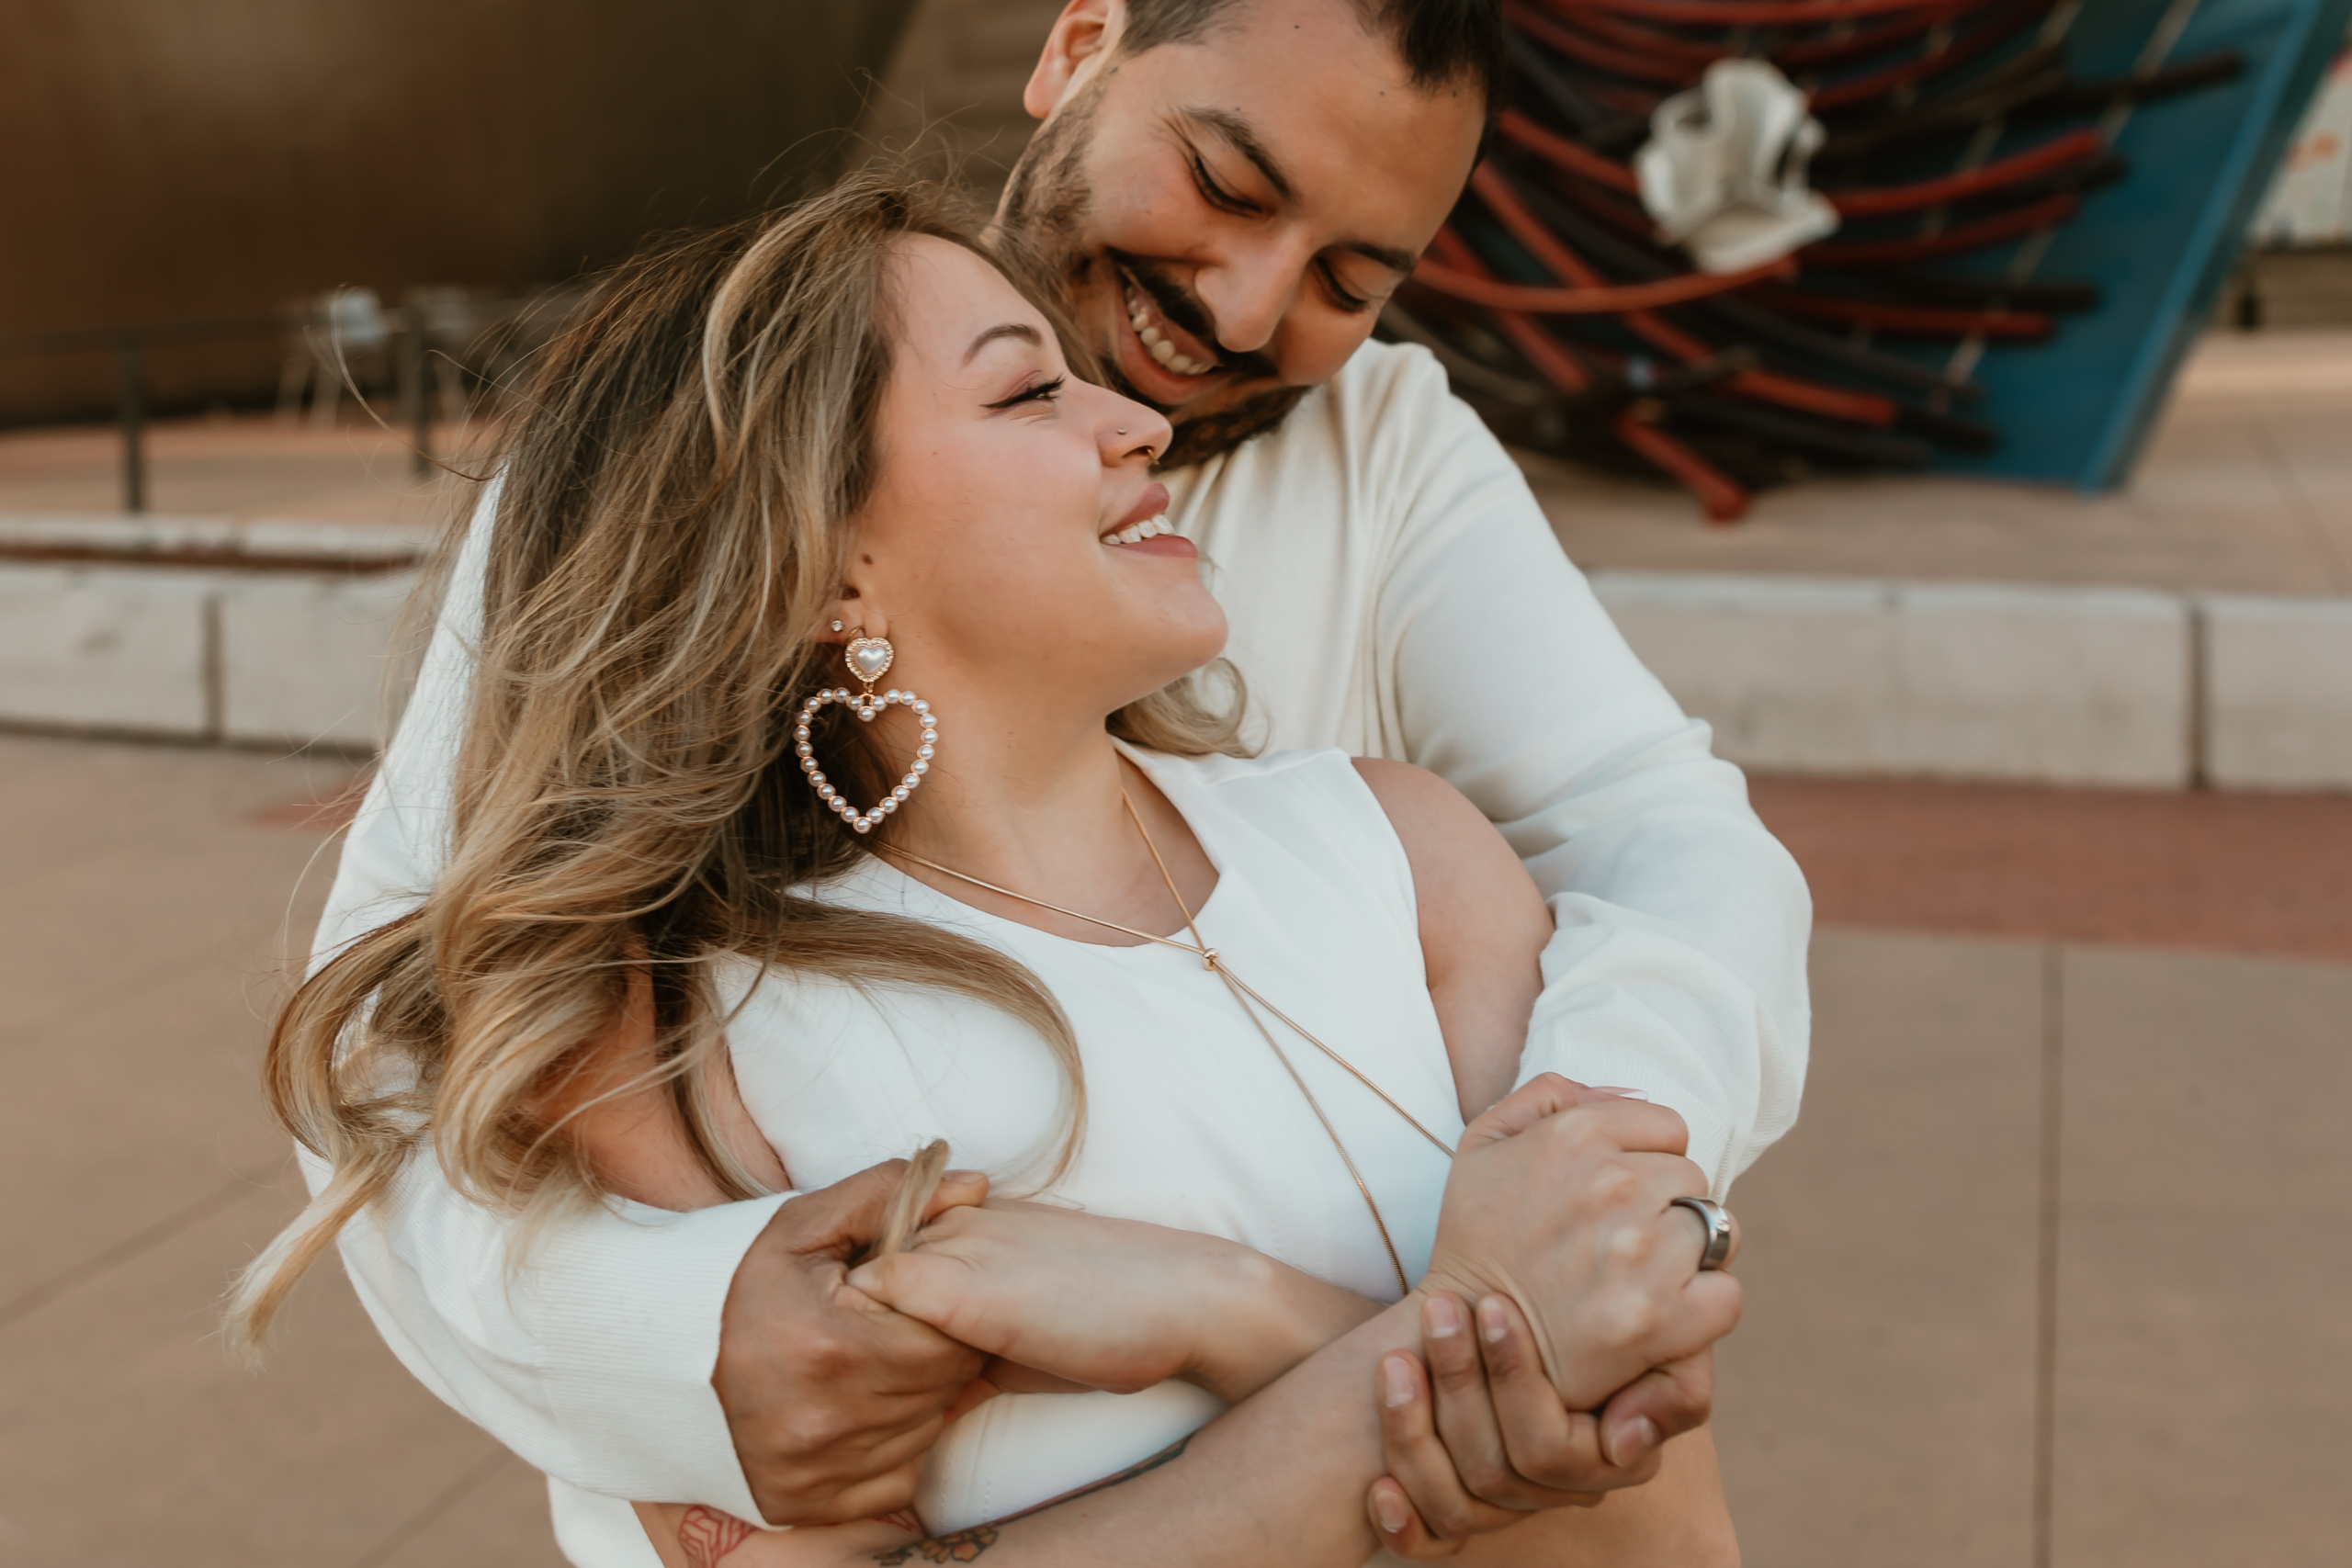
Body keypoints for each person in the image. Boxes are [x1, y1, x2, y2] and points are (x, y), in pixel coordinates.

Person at [281, 0, 1808, 1551]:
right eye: (1226, 182)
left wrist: (1582, 1176)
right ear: (1081, 43)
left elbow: (1661, 835)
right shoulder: (709, 442)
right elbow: (419, 1013)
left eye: (1355, 279)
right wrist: (691, 1329)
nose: (1245, 307)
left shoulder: (1399, 727)